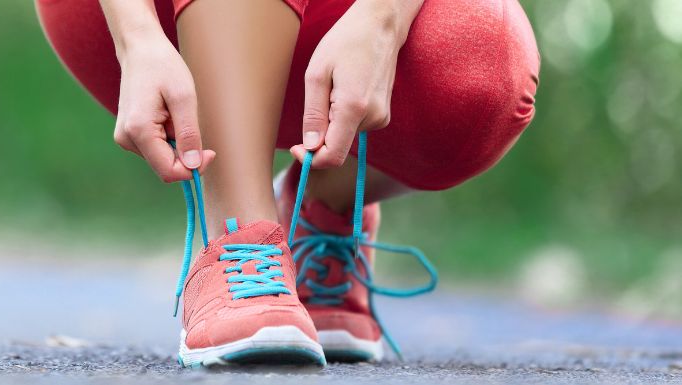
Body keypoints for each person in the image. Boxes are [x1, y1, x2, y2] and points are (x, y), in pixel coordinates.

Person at [36, 0, 539, 367]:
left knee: (485, 62)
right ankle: (239, 233)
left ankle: (321, 205)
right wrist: (137, 37)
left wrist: (381, 21)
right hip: (140, 18)